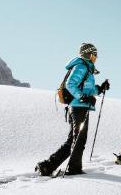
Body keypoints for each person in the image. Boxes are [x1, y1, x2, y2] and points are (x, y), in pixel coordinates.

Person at [36, 43, 110, 176]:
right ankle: (74, 169)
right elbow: (70, 84)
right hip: (78, 107)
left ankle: (48, 166)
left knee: (73, 140)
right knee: (79, 139)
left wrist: (100, 88)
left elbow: (86, 89)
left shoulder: (86, 68)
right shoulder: (81, 66)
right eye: (94, 55)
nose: (96, 57)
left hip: (79, 107)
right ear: (89, 54)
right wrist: (82, 97)